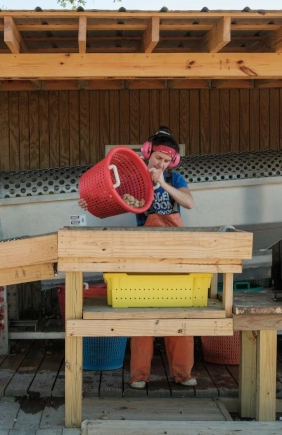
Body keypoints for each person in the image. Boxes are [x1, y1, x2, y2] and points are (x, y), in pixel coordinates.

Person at [78, 126, 196, 389]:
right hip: (144, 251)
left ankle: (182, 374)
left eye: (166, 161)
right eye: (157, 159)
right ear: (146, 153)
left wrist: (162, 182)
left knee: (179, 312)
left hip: (175, 252)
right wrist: (89, 201)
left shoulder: (175, 180)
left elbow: (189, 203)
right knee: (143, 309)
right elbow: (107, 198)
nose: (161, 163)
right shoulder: (132, 178)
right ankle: (139, 375)